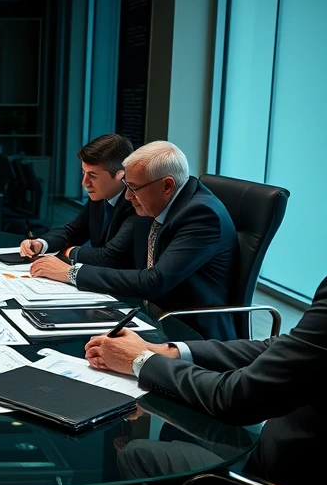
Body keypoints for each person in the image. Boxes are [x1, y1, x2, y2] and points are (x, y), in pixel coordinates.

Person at [82, 156, 327, 485]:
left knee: (136, 452)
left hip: (284, 474)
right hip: (304, 434)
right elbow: (284, 347)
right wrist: (172, 350)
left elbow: (237, 398)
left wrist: (139, 361)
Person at [31, 141, 237, 340]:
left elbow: (154, 281)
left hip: (187, 330)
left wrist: (70, 273)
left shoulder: (200, 216)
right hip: (145, 313)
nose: (128, 197)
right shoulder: (156, 202)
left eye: (134, 188)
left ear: (167, 185)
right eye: (126, 186)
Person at [20, 134, 136, 257]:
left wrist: (69, 253)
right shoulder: (100, 196)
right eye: (83, 172)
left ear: (120, 175)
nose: (84, 183)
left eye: (93, 176)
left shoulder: (136, 204)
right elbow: (73, 231)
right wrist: (41, 244)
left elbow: (111, 256)